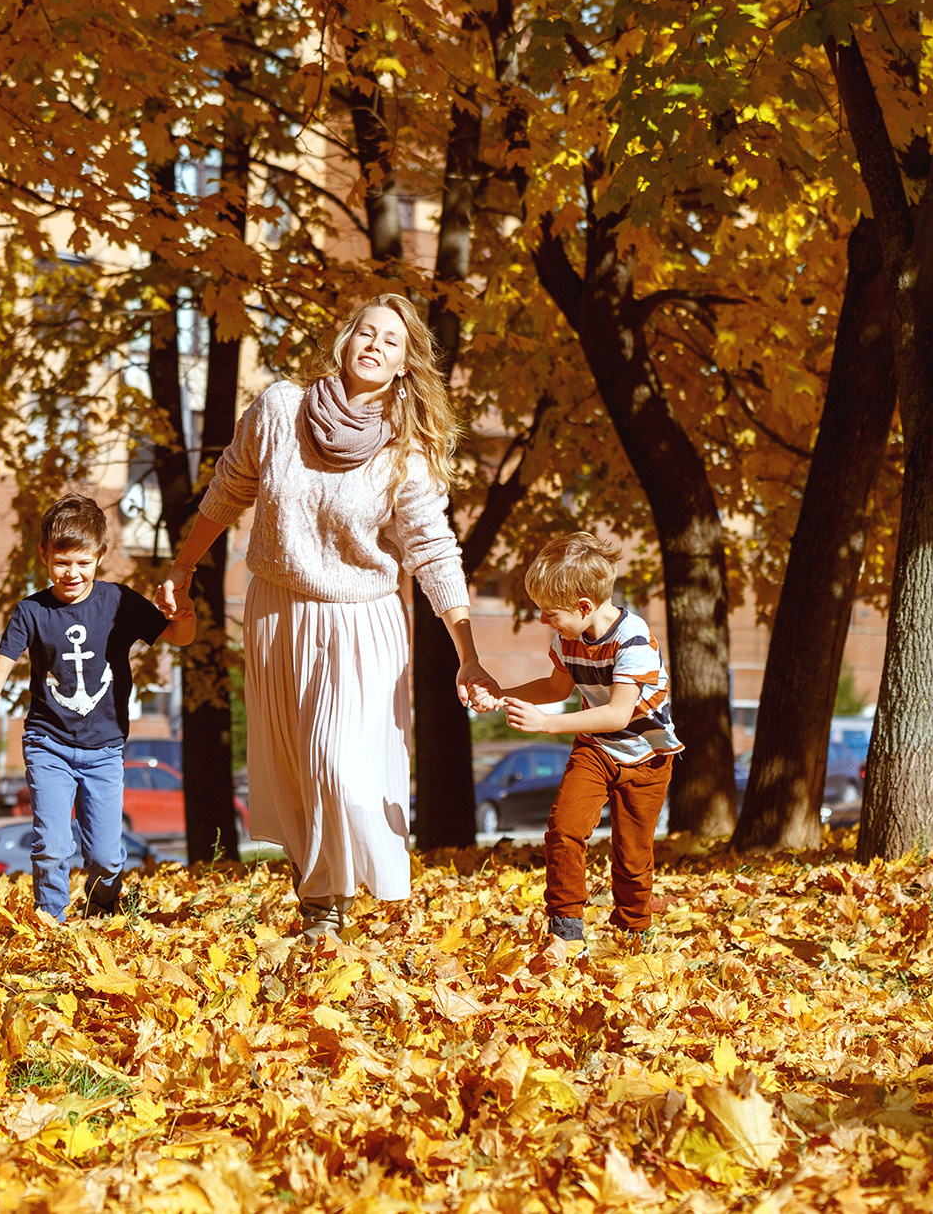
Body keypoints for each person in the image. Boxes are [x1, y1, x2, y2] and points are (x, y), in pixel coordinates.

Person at [154, 293, 500, 938]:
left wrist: (468, 654)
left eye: (391, 341)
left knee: (338, 765)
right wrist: (182, 568)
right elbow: (228, 489)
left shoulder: (405, 454)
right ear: (345, 342)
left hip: (362, 622)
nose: (374, 344)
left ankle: (356, 893)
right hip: (277, 611)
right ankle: (321, 911)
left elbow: (434, 551)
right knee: (299, 772)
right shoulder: (280, 409)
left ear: (404, 365)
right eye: (366, 332)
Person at [0, 494, 193, 923]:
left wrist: (183, 613)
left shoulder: (119, 603)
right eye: (61, 562)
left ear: (100, 557)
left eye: (83, 563)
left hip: (104, 748)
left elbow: (180, 637)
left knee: (107, 858)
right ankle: (50, 924)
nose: (72, 573)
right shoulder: (31, 612)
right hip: (47, 743)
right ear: (44, 555)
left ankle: (101, 912)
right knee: (52, 846)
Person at [495, 531, 680, 947]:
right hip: (597, 749)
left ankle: (633, 932)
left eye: (550, 612)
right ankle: (566, 930)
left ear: (584, 606)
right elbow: (557, 689)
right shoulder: (568, 637)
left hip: (647, 756)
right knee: (564, 828)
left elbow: (617, 712)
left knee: (631, 854)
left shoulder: (632, 638)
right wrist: (502, 693)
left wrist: (544, 725)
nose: (543, 621)